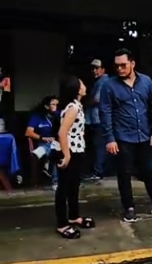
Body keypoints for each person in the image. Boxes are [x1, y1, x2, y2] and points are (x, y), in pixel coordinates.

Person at [99, 48, 152, 223]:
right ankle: (129, 207)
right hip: (123, 137)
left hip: (145, 136)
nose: (120, 69)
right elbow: (105, 112)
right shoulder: (109, 85)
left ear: (132, 63)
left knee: (149, 171)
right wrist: (110, 138)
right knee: (124, 173)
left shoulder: (146, 82)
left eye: (123, 65)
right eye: (117, 66)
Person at [54, 76, 95, 239]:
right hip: (69, 151)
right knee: (63, 188)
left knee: (73, 186)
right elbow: (62, 132)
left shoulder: (77, 105)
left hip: (77, 150)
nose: (85, 86)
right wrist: (66, 154)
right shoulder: (73, 108)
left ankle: (73, 215)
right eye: (82, 83)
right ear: (77, 89)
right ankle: (62, 224)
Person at [26, 96, 60, 186]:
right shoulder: (37, 116)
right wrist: (42, 138)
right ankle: (49, 177)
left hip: (57, 143)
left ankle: (51, 174)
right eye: (53, 104)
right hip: (42, 142)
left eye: (57, 104)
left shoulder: (59, 115)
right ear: (46, 106)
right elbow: (28, 132)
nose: (56, 106)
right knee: (48, 149)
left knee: (54, 149)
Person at [85, 59, 110, 181]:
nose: (94, 71)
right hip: (95, 119)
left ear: (103, 69)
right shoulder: (98, 82)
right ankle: (97, 170)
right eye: (93, 68)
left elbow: (97, 99)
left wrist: (84, 101)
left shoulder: (104, 81)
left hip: (99, 119)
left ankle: (98, 172)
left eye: (97, 68)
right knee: (97, 146)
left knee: (99, 145)